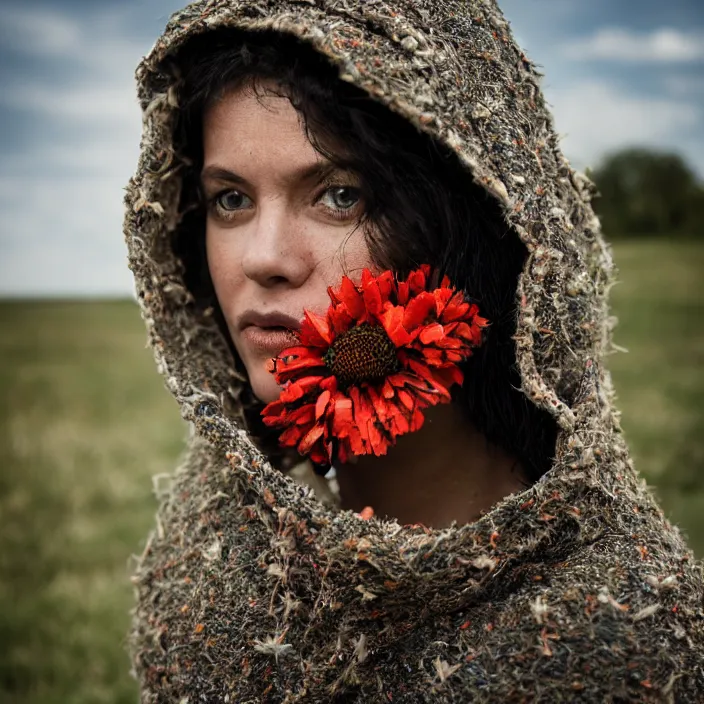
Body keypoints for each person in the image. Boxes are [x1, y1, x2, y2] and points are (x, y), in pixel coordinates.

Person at [126, 1, 704, 701]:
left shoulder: (620, 630)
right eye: (230, 200)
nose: (264, 258)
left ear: (469, 220)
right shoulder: (209, 552)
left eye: (339, 195)